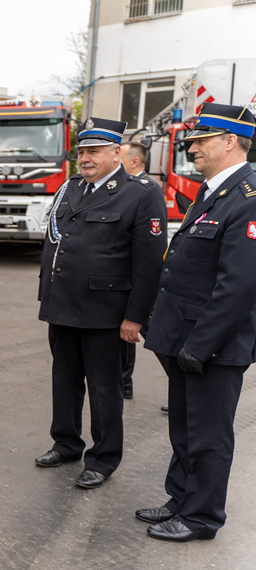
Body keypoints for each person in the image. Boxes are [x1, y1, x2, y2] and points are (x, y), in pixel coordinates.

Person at [140, 103, 256, 542]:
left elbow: (239, 286)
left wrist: (200, 344)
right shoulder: (212, 192)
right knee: (184, 428)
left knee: (208, 435)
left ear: (230, 141)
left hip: (213, 345)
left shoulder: (248, 197)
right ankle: (181, 499)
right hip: (185, 338)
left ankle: (201, 516)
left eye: (201, 141)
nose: (192, 150)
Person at [35, 117, 166, 489]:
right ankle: (66, 442)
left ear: (116, 152)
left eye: (93, 151)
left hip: (106, 313)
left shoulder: (140, 193)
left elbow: (148, 262)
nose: (85, 159)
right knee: (64, 381)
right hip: (63, 307)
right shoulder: (72, 188)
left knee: (105, 389)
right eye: (81, 152)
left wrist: (135, 317)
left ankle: (104, 457)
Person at [119, 141, 168, 400]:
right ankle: (124, 383)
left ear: (134, 162)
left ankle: (183, 386)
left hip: (141, 281)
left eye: (121, 157)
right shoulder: (127, 187)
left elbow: (151, 245)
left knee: (154, 334)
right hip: (125, 280)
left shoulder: (147, 189)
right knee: (126, 335)